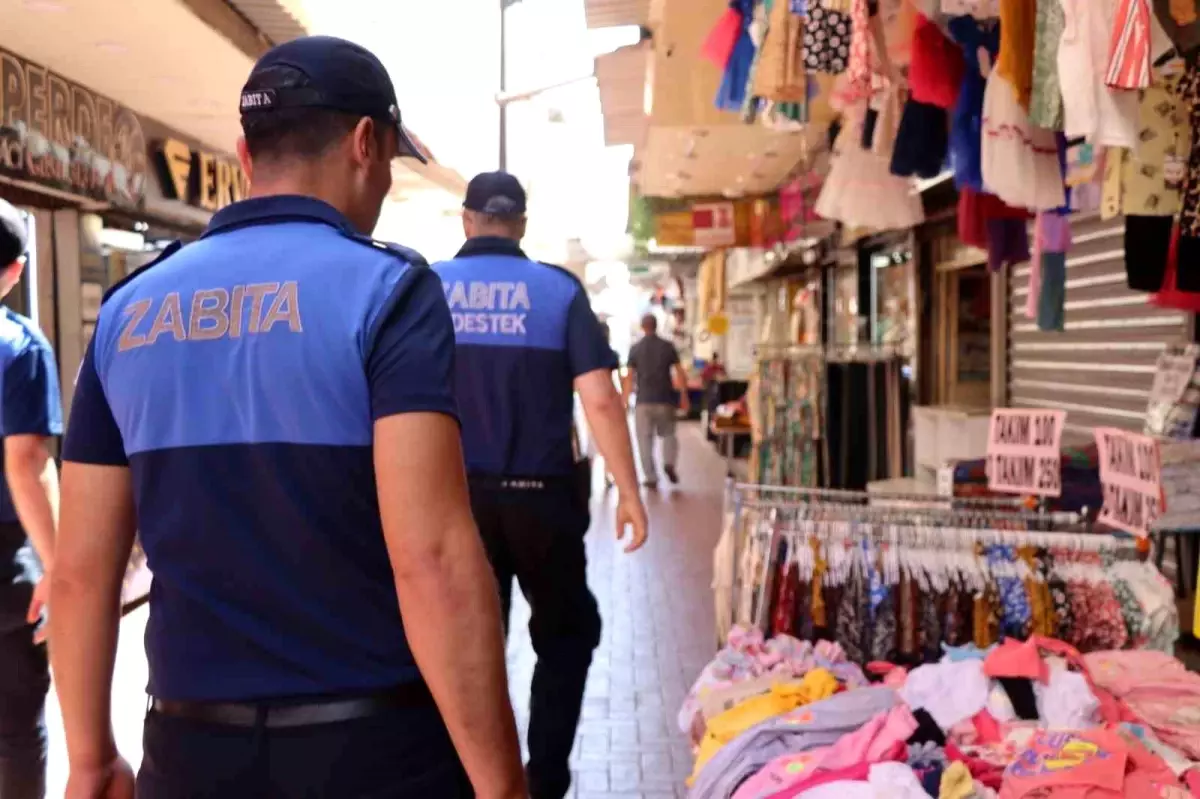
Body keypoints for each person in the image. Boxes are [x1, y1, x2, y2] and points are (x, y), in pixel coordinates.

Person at [50, 36, 524, 799]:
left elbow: (77, 575)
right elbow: (430, 557)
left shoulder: (126, 312)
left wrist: (89, 759)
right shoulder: (390, 294)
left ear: (244, 153)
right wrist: (502, 783)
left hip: (188, 749)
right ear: (366, 143)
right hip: (373, 750)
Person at [434, 171, 648, 799]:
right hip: (543, 500)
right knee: (565, 634)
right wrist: (630, 492)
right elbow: (601, 402)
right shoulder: (557, 292)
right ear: (521, 224)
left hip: (455, 502)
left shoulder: (429, 288)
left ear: (467, 220)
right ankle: (545, 774)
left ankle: (471, 774)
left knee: (470, 642)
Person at [0, 200, 62, 799]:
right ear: (15, 270)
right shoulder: (19, 347)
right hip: (3, 563)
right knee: (16, 727)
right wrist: (58, 565)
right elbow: (26, 464)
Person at [624, 313, 690, 487]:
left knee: (644, 440)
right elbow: (680, 372)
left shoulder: (635, 348)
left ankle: (651, 477)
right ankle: (669, 463)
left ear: (642, 327)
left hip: (643, 401)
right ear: (656, 326)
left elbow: (629, 377)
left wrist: (624, 400)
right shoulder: (668, 346)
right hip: (665, 399)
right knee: (669, 434)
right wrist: (684, 395)